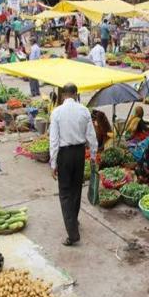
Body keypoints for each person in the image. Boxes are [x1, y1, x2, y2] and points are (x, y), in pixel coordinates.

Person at [49, 83, 98, 246]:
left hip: (64, 155)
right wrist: (92, 155)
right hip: (79, 154)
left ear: (63, 95)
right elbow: (92, 136)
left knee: (64, 193)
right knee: (76, 189)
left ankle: (72, 233)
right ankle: (74, 220)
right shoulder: (84, 110)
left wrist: (53, 163)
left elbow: (54, 141)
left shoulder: (56, 112)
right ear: (76, 94)